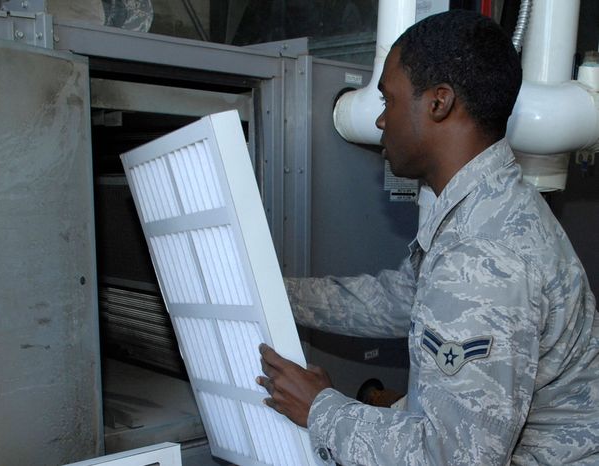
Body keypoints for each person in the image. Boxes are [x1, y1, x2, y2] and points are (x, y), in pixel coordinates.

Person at [256, 9, 598, 465]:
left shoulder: (483, 255)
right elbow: (403, 298)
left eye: (389, 100)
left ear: (439, 102)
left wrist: (319, 409)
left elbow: (454, 458)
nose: (380, 122)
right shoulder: (487, 207)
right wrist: (275, 294)